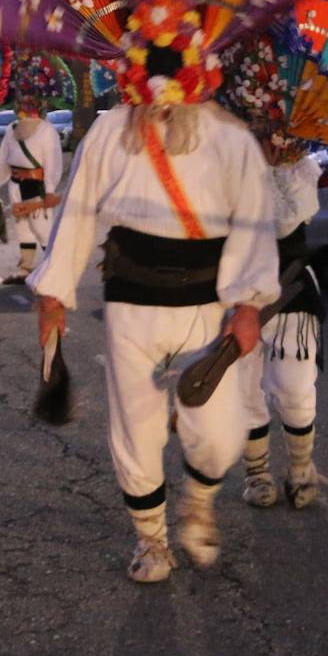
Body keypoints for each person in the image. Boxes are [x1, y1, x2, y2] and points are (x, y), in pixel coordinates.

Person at [30, 75, 279, 583]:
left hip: (207, 302)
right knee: (137, 428)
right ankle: (151, 541)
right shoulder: (111, 130)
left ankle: (199, 501)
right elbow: (76, 211)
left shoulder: (228, 134)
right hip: (130, 299)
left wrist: (249, 304)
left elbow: (254, 219)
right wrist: (54, 294)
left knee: (218, 433)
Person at [239, 148, 327, 510]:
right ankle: (256, 472)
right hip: (235, 289)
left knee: (294, 388)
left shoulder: (301, 171)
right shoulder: (228, 158)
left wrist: (276, 167)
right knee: (244, 390)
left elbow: (286, 221)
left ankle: (301, 469)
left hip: (289, 290)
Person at [0, 91, 63, 284]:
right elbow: (3, 158)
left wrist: (49, 190)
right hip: (15, 183)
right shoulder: (11, 129)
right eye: (23, 103)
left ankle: (54, 269)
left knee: (42, 229)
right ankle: (25, 268)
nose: (26, 107)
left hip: (36, 184)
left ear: (40, 106)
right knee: (23, 228)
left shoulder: (47, 130)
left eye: (31, 103)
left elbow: (53, 162)